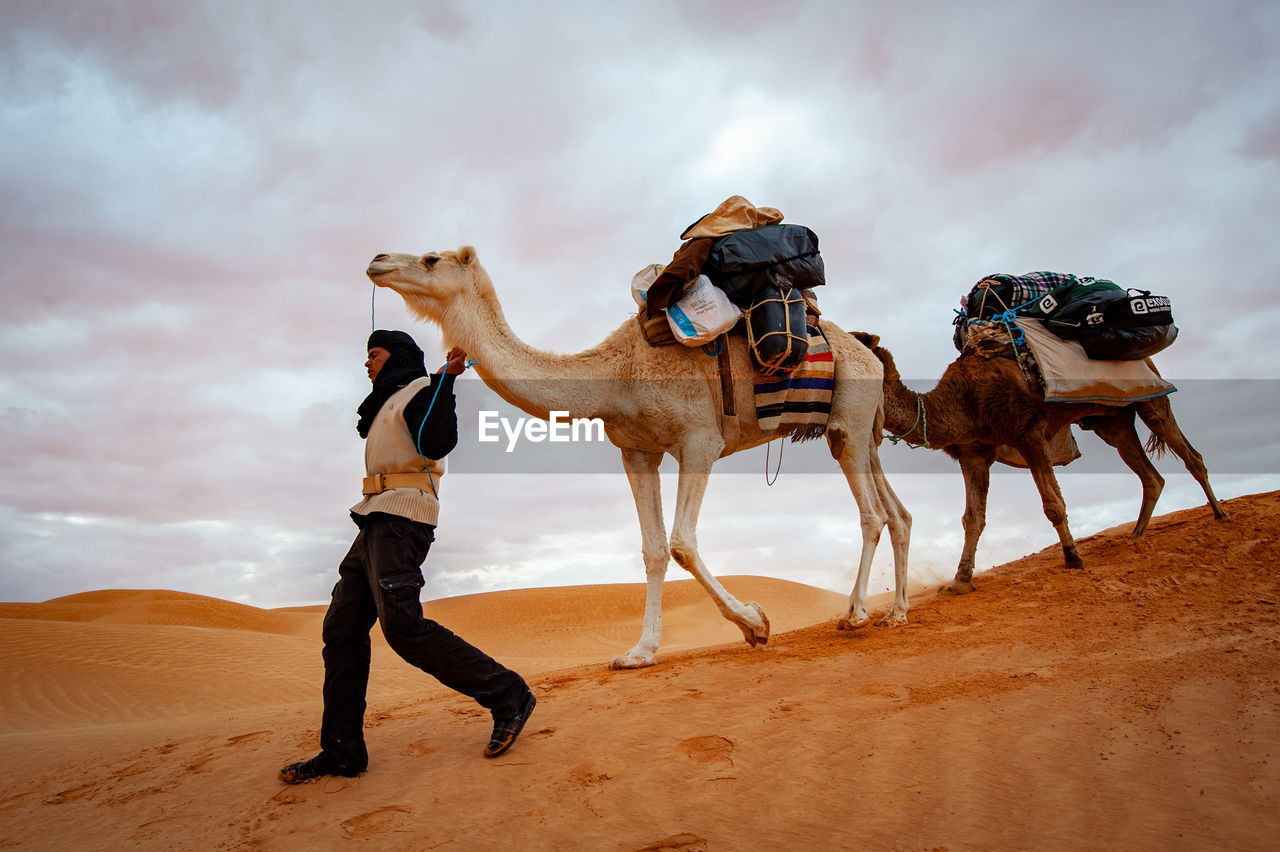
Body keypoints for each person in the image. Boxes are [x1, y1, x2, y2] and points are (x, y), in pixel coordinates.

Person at [279, 330, 536, 784]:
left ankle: (508, 694)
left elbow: (438, 443)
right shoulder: (387, 404)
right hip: (373, 518)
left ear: (395, 356)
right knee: (341, 630)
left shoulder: (421, 389)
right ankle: (341, 752)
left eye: (372, 355)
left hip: (402, 518)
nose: (366, 363)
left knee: (402, 626)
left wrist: (445, 380)